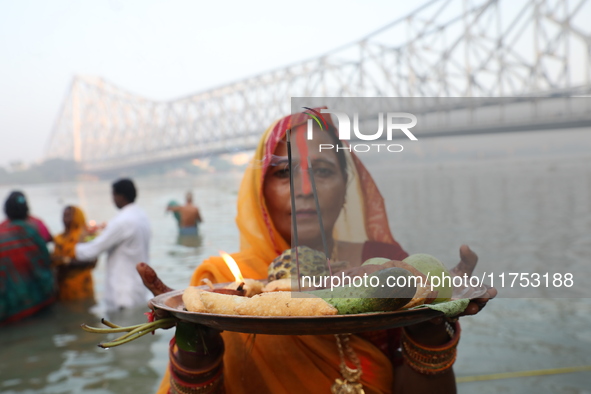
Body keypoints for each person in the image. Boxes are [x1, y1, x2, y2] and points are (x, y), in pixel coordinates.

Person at [138, 111, 496, 394]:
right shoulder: (220, 282)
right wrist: (194, 347)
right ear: (260, 191)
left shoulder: (386, 266)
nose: (303, 189)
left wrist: (431, 326)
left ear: (345, 188)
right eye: (284, 172)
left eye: (322, 170)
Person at [75, 179, 151, 311]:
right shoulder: (141, 215)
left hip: (124, 293)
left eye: (113, 195)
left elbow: (92, 250)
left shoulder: (122, 220)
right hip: (140, 289)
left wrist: (79, 243)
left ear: (120, 196)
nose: (113, 200)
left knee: (123, 330)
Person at [0, 191, 55, 324]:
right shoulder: (34, 226)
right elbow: (46, 257)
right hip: (40, 299)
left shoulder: (2, 231)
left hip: (9, 304)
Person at [52, 205, 97, 301]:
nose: (65, 219)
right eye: (64, 216)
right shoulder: (59, 238)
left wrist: (67, 261)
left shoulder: (85, 235)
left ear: (77, 217)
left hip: (82, 285)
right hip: (62, 286)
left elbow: (93, 261)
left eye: (68, 216)